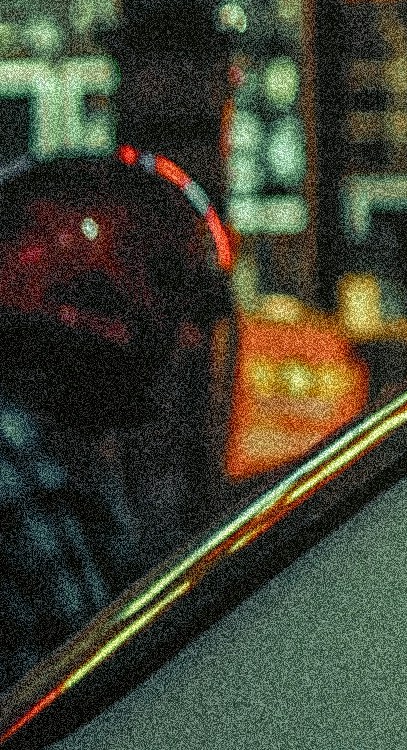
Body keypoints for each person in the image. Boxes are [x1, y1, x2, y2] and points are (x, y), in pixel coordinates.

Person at [0, 153, 237, 691]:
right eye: (167, 298)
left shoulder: (68, 458)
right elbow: (111, 696)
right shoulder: (26, 477)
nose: (187, 343)